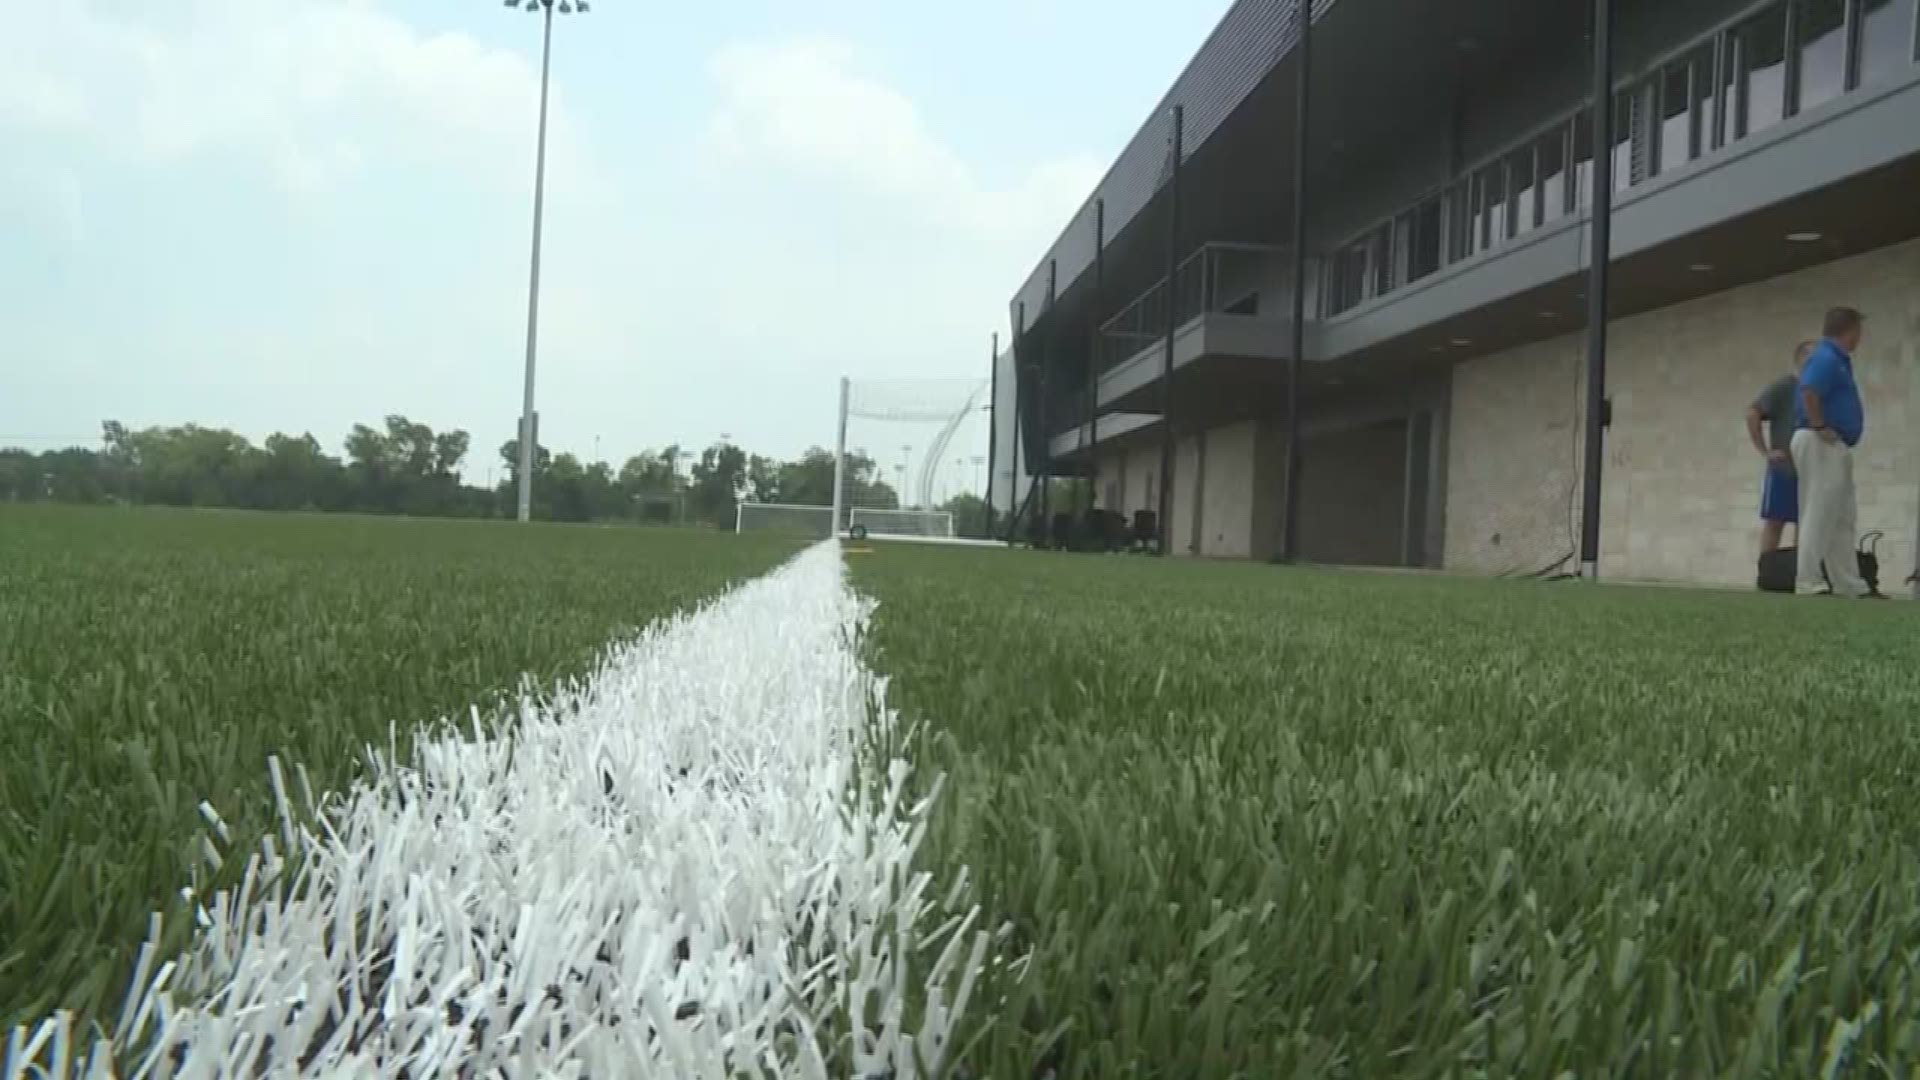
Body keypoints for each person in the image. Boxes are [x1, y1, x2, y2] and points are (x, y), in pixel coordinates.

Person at [1790, 306, 1874, 598]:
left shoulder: (1838, 360)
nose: (1859, 338)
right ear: (1849, 330)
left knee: (1842, 516)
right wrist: (1820, 424)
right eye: (1858, 331)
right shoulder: (1826, 357)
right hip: (1819, 440)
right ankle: (1808, 579)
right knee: (1819, 510)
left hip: (1834, 444)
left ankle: (1848, 582)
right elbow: (1809, 390)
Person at [1747, 341, 1815, 554]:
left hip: (1811, 469)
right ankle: (1766, 573)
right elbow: (1753, 413)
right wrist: (1765, 452)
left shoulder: (1817, 390)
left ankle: (1799, 575)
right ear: (1802, 359)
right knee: (1775, 522)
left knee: (1805, 523)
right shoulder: (1785, 386)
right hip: (1784, 468)